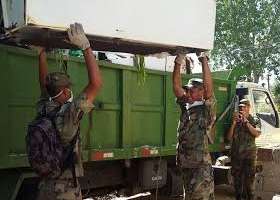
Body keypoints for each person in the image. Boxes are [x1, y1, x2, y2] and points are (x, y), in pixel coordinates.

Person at [35, 23, 102, 200]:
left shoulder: (43, 108)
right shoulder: (69, 115)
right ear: (65, 92)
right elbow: (96, 84)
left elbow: (44, 85)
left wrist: (41, 54)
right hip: (65, 191)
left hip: (45, 187)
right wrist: (86, 47)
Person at [173, 53, 216, 200]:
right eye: (188, 90)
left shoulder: (206, 109)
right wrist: (178, 62)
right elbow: (177, 88)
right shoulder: (187, 107)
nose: (187, 93)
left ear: (201, 92)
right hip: (186, 165)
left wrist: (203, 60)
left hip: (200, 168)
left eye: (191, 90)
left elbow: (209, 89)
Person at [227, 99, 261, 200]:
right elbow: (228, 138)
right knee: (237, 186)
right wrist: (233, 123)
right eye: (240, 107)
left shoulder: (254, 119)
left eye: (244, 107)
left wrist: (246, 122)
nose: (242, 109)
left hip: (249, 157)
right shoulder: (236, 121)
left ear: (249, 107)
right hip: (237, 157)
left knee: (249, 185)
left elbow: (257, 133)